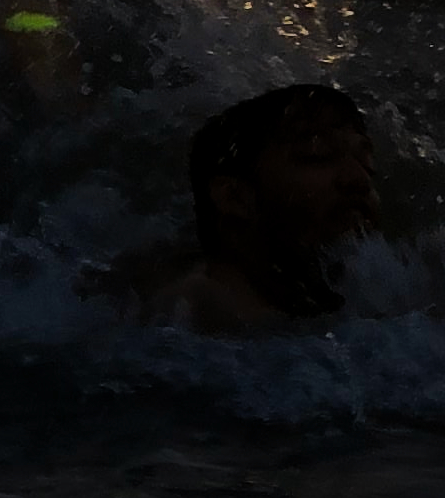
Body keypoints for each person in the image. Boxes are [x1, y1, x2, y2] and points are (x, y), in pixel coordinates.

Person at [160, 84, 383, 334]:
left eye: (366, 161)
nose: (360, 179)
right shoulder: (193, 315)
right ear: (234, 197)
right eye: (318, 152)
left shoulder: (375, 299)